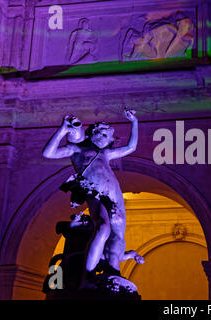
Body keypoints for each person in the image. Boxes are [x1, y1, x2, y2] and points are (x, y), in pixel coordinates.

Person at [43, 108, 144, 289]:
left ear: (110, 140)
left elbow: (131, 147)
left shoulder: (105, 153)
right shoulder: (78, 149)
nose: (102, 136)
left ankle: (113, 273)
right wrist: (63, 130)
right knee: (103, 228)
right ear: (90, 133)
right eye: (99, 132)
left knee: (117, 239)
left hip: (115, 195)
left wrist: (134, 122)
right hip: (95, 192)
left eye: (106, 135)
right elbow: (48, 153)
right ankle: (87, 277)